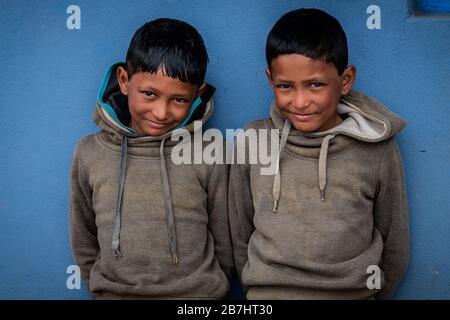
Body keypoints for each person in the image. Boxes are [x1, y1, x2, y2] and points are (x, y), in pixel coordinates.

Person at [229, 8, 409, 299]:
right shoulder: (253, 141)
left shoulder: (376, 147)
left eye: (315, 85)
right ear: (270, 80)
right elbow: (237, 232)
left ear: (346, 79)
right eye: (285, 86)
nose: (300, 102)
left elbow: (395, 238)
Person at [70, 18, 233, 299]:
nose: (161, 112)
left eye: (179, 100)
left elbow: (226, 237)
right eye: (149, 94)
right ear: (124, 80)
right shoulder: (89, 152)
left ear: (198, 94)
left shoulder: (210, 152)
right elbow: (83, 234)